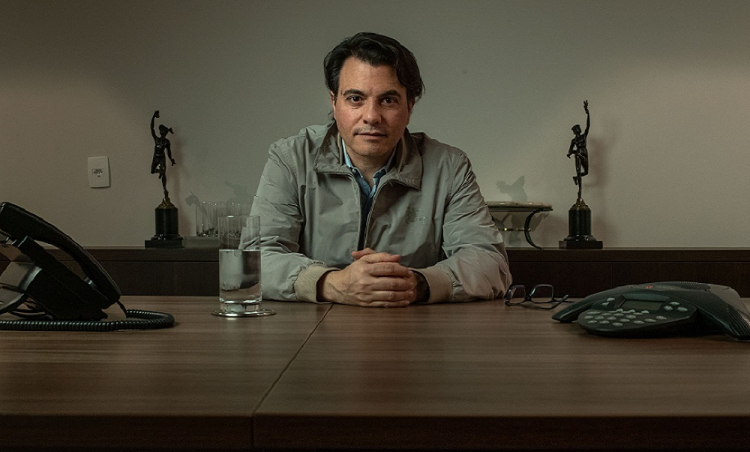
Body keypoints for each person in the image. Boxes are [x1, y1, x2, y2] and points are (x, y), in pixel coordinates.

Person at [251, 32, 511, 307]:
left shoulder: (449, 167)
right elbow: (256, 258)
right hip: (313, 329)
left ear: (409, 106)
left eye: (388, 100)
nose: (371, 116)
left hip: (413, 328)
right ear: (334, 102)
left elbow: (490, 262)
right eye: (355, 98)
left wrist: (415, 284)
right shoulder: (291, 158)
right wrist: (332, 284)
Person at [150, 110, 176, 200]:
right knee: (152, 170)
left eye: (163, 131)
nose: (162, 132)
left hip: (161, 158)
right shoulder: (156, 139)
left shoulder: (166, 142)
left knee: (164, 173)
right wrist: (153, 117)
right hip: (156, 157)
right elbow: (152, 128)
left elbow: (169, 152)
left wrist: (171, 159)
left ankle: (165, 189)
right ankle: (160, 171)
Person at [566, 100, 590, 200]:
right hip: (580, 154)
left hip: (584, 153)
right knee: (579, 171)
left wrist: (587, 112)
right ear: (575, 131)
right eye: (577, 128)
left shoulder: (584, 136)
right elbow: (570, 150)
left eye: (579, 128)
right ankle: (579, 192)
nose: (579, 129)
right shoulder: (574, 140)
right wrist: (571, 153)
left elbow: (588, 126)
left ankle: (576, 178)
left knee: (586, 172)